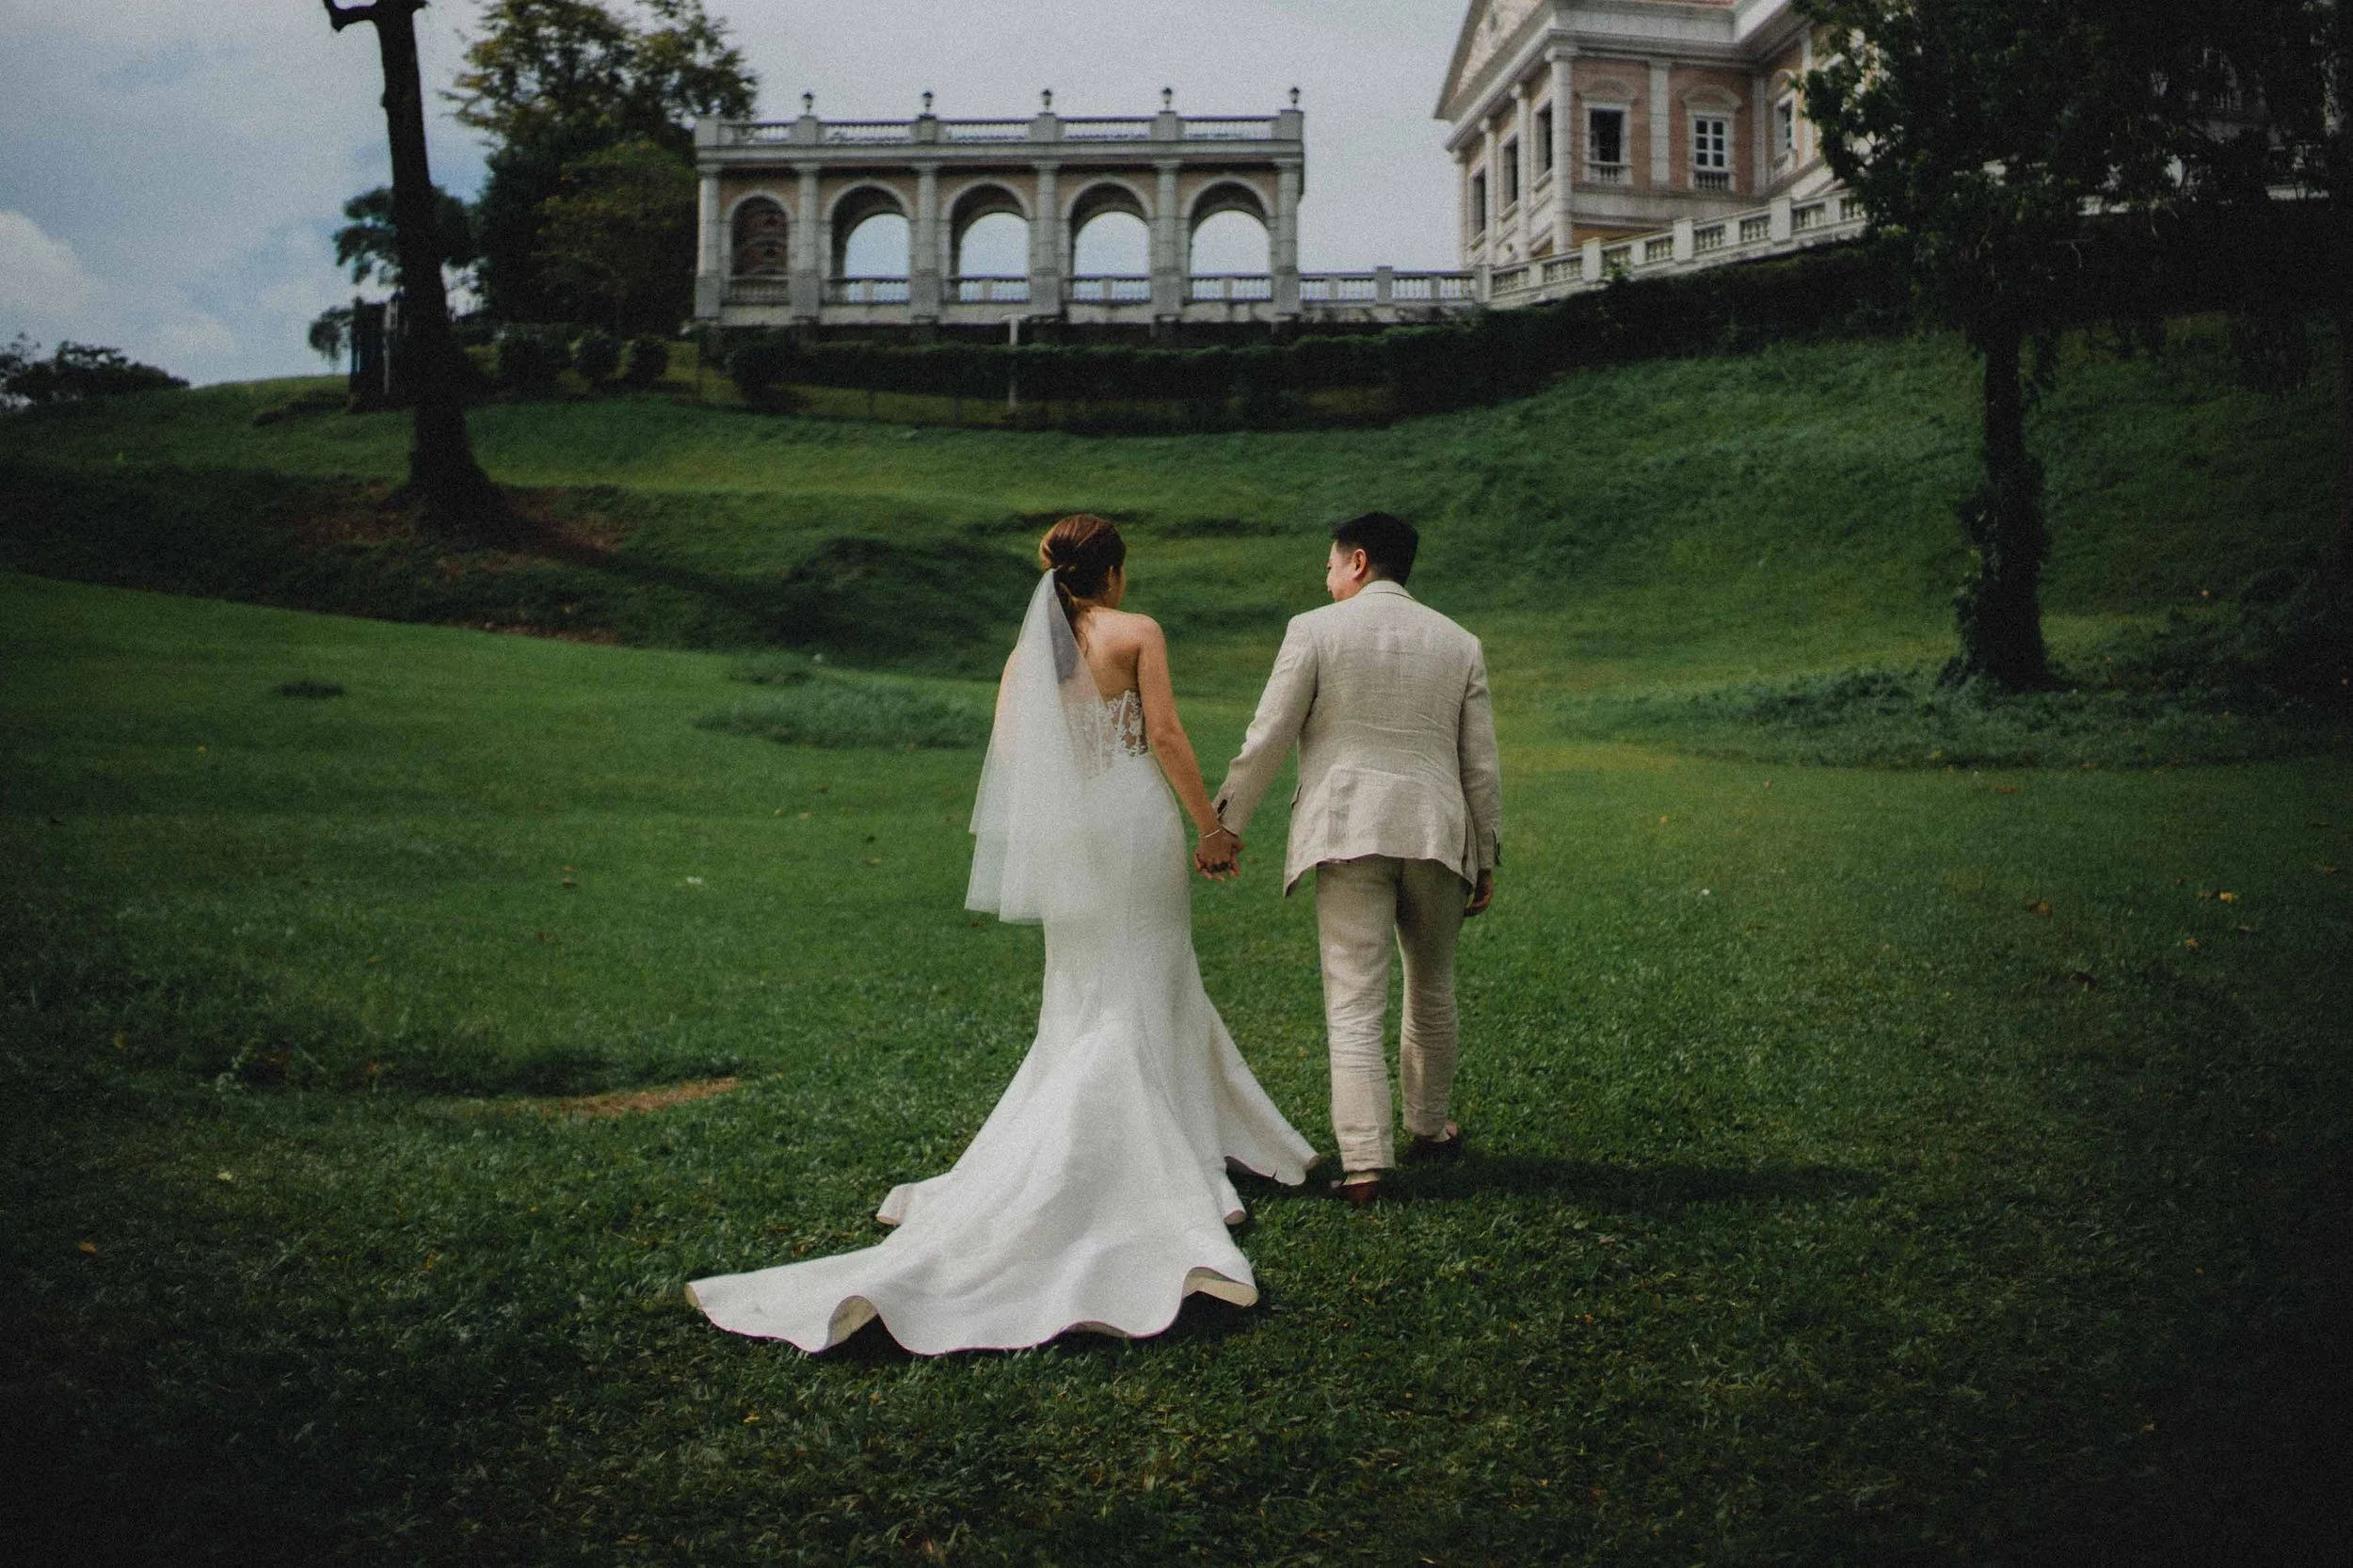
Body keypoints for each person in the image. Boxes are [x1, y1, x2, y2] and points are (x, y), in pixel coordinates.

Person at [687, 515, 1315, 1354]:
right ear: (1115, 573)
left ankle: (1180, 1124)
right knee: (1150, 970)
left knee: (1092, 984)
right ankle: (1154, 1141)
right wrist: (1212, 828)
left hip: (1073, 839)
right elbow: (1163, 735)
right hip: (1132, 823)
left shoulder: (1030, 660)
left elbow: (1013, 759)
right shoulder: (1138, 632)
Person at [1211, 511, 1501, 1205]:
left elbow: (1269, 734)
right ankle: (1429, 1129)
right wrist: (1486, 852)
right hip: (1437, 832)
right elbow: (1480, 764)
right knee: (1432, 988)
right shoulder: (1459, 642)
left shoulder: (1313, 630)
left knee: (1353, 1002)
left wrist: (1227, 823)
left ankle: (1367, 1163)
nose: (1327, 577)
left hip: (1346, 832)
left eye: (1332, 565)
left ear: (1360, 561)